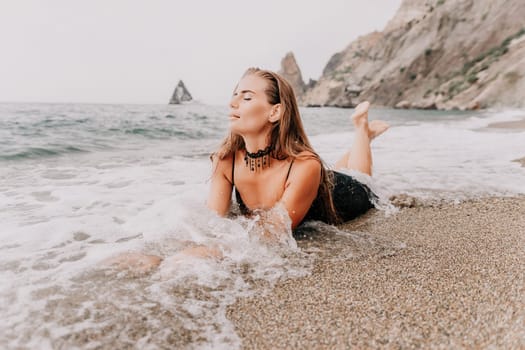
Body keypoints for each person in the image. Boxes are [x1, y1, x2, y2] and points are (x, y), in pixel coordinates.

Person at [104, 67, 388, 272]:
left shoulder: (305, 166)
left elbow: (272, 235)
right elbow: (211, 222)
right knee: (337, 169)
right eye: (234, 94)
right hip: (314, 182)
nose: (233, 102)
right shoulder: (225, 160)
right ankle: (360, 138)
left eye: (247, 97)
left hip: (345, 194)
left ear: (275, 112)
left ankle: (362, 132)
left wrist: (213, 252)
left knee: (361, 177)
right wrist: (158, 254)